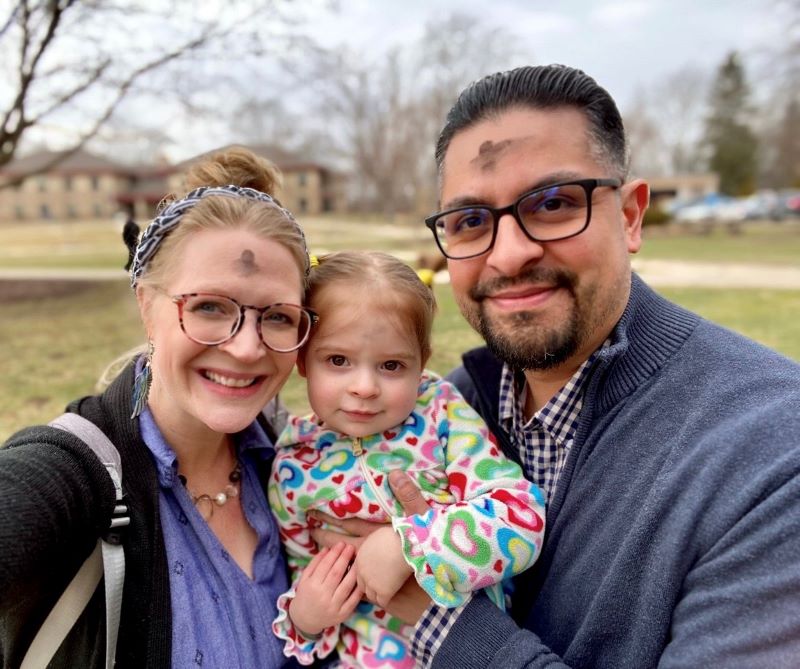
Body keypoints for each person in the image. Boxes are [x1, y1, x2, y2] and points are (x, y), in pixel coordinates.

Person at [313, 65, 800, 668]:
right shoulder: (441, 410)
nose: (510, 254)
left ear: (630, 216)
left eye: (553, 204)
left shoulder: (773, 455)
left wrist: (440, 614)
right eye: (470, 221)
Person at [0, 146, 317, 667]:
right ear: (147, 306)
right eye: (210, 307)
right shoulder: (76, 476)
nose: (247, 348)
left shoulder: (297, 465)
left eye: (278, 317)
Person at [268, 251, 546, 667]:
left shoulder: (443, 418)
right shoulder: (292, 466)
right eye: (338, 360)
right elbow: (305, 573)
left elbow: (521, 520)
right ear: (302, 360)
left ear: (422, 365)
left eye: (391, 365)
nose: (364, 387)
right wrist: (304, 618)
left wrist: (407, 545)